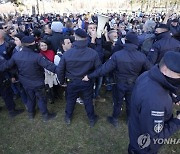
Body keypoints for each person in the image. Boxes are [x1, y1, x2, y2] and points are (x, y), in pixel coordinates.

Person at [83, 32, 151, 127]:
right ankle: (129, 119)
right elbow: (150, 70)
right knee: (130, 102)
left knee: (118, 102)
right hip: (134, 83)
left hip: (119, 83)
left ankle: (115, 119)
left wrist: (89, 76)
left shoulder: (117, 55)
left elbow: (104, 69)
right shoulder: (142, 56)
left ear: (126, 42)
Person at [128, 51, 180, 154]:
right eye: (179, 75)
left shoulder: (148, 75)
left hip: (136, 130)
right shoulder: (155, 102)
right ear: (165, 70)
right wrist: (177, 121)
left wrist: (172, 98)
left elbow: (162, 88)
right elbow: (153, 139)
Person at [0, 35, 57, 122]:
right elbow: (50, 66)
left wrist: (15, 72)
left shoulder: (17, 55)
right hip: (38, 82)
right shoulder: (37, 56)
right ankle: (45, 115)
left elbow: (7, 65)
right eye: (35, 43)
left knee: (30, 97)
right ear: (31, 45)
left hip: (25, 82)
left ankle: (31, 113)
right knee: (41, 98)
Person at [57, 28, 101, 127]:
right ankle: (91, 119)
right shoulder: (93, 53)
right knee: (88, 100)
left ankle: (68, 117)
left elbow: (60, 69)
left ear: (75, 38)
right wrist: (90, 76)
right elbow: (99, 69)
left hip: (72, 82)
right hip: (86, 81)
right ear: (86, 38)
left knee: (71, 100)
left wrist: (61, 81)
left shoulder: (67, 53)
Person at [0, 29, 24, 117]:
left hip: (9, 71)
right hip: (3, 74)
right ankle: (11, 110)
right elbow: (5, 65)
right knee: (6, 93)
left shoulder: (8, 44)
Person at [39, 39, 57, 104]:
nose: (44, 47)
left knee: (55, 84)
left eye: (45, 45)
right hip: (46, 72)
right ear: (39, 47)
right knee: (48, 86)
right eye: (42, 46)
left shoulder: (51, 52)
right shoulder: (39, 55)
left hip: (53, 70)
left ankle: (56, 95)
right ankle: (50, 97)